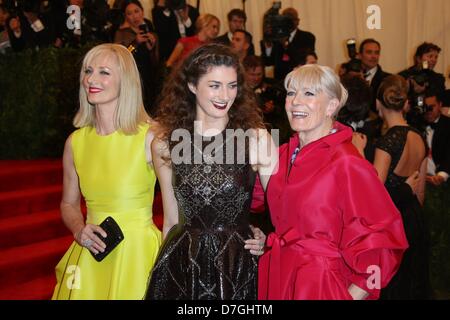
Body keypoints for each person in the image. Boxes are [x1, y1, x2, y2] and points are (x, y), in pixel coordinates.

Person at [257, 64, 408, 300]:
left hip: (319, 286)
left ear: (332, 105)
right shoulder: (284, 154)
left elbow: (382, 244)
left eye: (309, 93)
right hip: (279, 275)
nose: (296, 101)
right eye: (291, 93)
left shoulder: (347, 163)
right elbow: (263, 205)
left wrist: (350, 297)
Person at [145, 43, 278, 300]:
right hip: (184, 262)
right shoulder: (164, 143)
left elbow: (283, 210)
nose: (225, 95)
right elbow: (172, 219)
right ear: (193, 86)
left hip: (238, 263)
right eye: (214, 85)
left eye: (232, 85)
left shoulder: (256, 138)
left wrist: (267, 238)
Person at [52, 43, 161, 300]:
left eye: (104, 72)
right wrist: (79, 229)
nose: (91, 79)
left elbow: (182, 203)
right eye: (88, 71)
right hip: (90, 255)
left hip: (137, 256)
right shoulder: (75, 142)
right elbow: (68, 204)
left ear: (126, 82)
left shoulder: (151, 136)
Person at [353, 75, 431, 299]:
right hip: (415, 217)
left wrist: (359, 152)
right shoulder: (419, 137)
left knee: (394, 285)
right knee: (414, 284)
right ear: (404, 103)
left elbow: (374, 189)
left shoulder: (388, 140)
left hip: (393, 222)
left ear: (378, 104)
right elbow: (421, 192)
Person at [114, 0, 161, 116]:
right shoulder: (122, 33)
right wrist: (135, 43)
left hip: (150, 77)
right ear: (125, 17)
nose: (134, 16)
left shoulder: (150, 31)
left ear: (142, 12)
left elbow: (156, 61)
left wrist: (151, 48)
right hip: (131, 76)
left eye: (136, 11)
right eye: (129, 13)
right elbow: (122, 56)